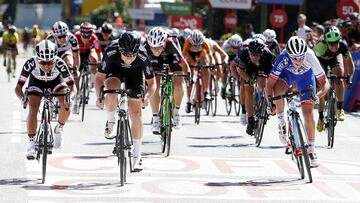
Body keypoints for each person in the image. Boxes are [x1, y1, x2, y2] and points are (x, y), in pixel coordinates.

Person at [95, 32, 156, 168]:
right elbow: (99, 78)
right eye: (126, 55)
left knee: (136, 113)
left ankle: (137, 153)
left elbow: (152, 83)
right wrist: (99, 96)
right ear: (120, 50)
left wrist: (147, 97)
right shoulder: (111, 50)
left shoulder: (143, 55)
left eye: (132, 55)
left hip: (135, 75)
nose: (129, 59)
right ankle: (111, 120)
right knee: (110, 93)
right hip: (115, 70)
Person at [266, 36, 329, 167]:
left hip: (305, 78)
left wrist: (317, 95)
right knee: (278, 91)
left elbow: (325, 83)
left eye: (301, 57)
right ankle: (281, 122)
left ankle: (311, 149)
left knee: (308, 111)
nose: (298, 61)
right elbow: (269, 84)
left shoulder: (310, 56)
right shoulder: (283, 58)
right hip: (286, 76)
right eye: (294, 58)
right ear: (288, 54)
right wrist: (269, 102)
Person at [14, 40, 75, 160]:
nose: (46, 66)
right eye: (43, 62)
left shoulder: (60, 63)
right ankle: (31, 144)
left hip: (56, 82)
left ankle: (59, 128)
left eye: (50, 62)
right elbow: (18, 87)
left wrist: (71, 98)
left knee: (66, 105)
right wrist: (22, 98)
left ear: (55, 58)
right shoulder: (30, 63)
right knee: (33, 107)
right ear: (37, 59)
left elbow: (73, 87)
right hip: (36, 82)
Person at [145, 27, 190, 133]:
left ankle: (176, 113)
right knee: (154, 84)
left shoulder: (171, 43)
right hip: (155, 61)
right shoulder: (146, 46)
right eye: (153, 48)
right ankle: (155, 118)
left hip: (171, 57)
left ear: (164, 43)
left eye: (159, 47)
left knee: (179, 83)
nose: (156, 50)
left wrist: (188, 76)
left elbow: (184, 64)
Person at [313, 26, 354, 132]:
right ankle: (321, 117)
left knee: (339, 77)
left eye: (336, 43)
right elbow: (313, 65)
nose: (335, 46)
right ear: (326, 42)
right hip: (320, 61)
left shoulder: (343, 46)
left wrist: (349, 78)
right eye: (331, 44)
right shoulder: (320, 47)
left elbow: (351, 64)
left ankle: (340, 108)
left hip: (335, 59)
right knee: (322, 86)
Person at [230, 38, 275, 133]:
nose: (254, 57)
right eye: (252, 55)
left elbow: (274, 74)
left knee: (264, 85)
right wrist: (248, 80)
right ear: (248, 52)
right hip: (248, 69)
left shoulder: (268, 55)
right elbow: (241, 70)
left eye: (257, 55)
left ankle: (266, 102)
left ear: (262, 53)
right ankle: (250, 120)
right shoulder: (243, 53)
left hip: (264, 67)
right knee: (248, 90)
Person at [47, 21, 80, 113]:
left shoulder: (72, 38)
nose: (62, 39)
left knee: (70, 64)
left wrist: (76, 69)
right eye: (59, 37)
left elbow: (76, 56)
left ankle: (75, 99)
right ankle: (50, 96)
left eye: (64, 36)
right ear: (54, 36)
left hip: (66, 53)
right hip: (53, 55)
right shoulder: (50, 40)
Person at [182, 29, 214, 112]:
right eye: (194, 45)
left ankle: (206, 91)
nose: (196, 46)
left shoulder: (204, 41)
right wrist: (186, 68)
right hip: (190, 55)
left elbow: (210, 55)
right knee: (189, 77)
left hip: (201, 54)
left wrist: (211, 64)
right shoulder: (187, 41)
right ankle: (188, 100)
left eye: (198, 44)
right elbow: (183, 57)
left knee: (206, 67)